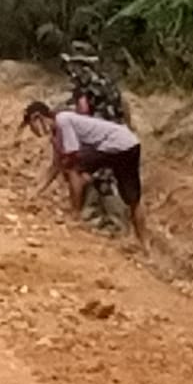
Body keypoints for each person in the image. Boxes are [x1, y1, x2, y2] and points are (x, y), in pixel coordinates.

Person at [23, 101, 148, 249]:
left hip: (114, 145)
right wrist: (36, 191)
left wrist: (79, 176)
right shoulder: (60, 130)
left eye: (32, 125)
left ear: (38, 118)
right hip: (130, 144)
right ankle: (145, 244)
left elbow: (71, 157)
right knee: (133, 199)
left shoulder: (63, 121)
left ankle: (75, 215)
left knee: (73, 169)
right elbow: (56, 165)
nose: (34, 131)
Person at [59, 40, 129, 234]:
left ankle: (117, 226)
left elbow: (83, 110)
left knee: (102, 178)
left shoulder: (83, 84)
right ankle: (95, 216)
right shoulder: (107, 82)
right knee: (101, 174)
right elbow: (123, 108)